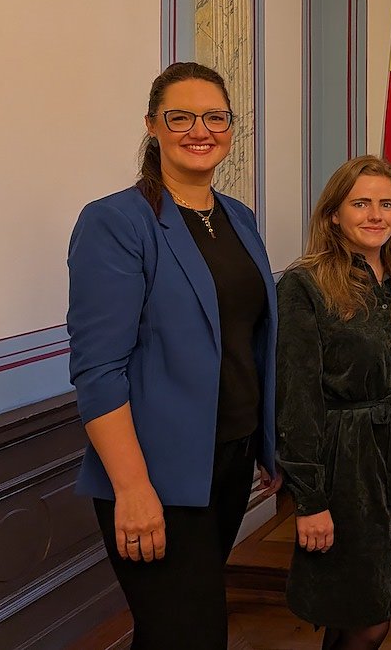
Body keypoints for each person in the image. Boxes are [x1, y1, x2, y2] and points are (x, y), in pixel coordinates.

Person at [67, 62, 279, 650]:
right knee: (192, 636)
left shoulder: (238, 218)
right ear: (152, 125)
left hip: (230, 460)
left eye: (215, 117)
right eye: (180, 117)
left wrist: (267, 444)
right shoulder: (116, 221)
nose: (199, 130)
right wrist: (133, 488)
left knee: (172, 634)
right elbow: (98, 370)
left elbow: (249, 341)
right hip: (155, 473)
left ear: (231, 128)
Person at [275, 156, 391, 650]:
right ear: (334, 213)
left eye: (387, 204)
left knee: (374, 598)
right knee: (366, 611)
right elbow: (296, 397)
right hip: (344, 463)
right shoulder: (304, 285)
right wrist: (309, 499)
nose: (376, 215)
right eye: (361, 203)